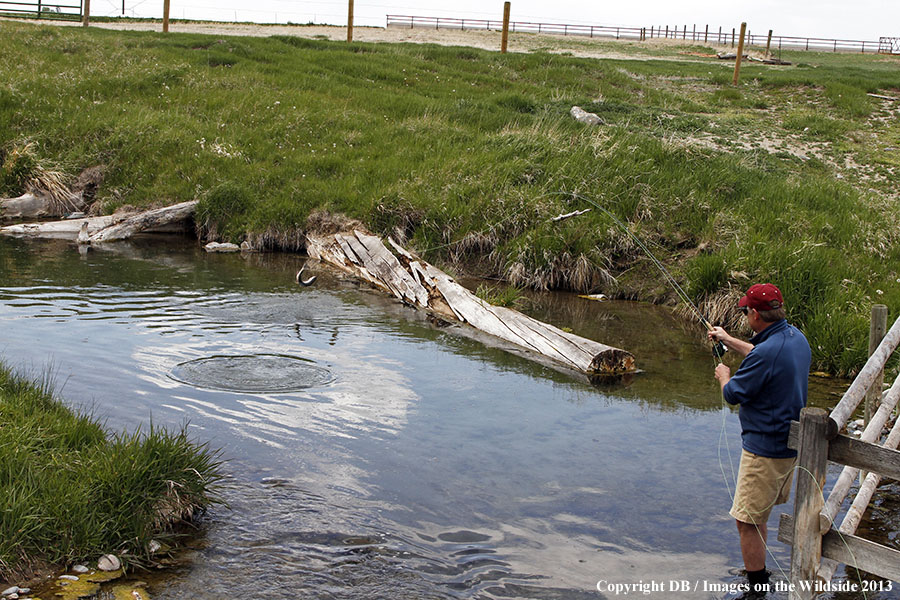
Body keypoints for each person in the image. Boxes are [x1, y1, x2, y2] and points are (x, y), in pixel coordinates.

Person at [707, 283, 811, 597]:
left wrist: (724, 374)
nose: (745, 315)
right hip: (787, 445)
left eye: (746, 311)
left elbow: (733, 395)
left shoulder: (767, 353)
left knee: (746, 521)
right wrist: (726, 339)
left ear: (755, 314)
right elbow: (759, 352)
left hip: (766, 449)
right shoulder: (794, 338)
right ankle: (759, 572)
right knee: (757, 516)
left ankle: (756, 589)